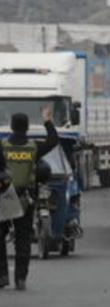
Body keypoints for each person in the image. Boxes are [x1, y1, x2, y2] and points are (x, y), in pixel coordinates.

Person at [0, 107, 58, 291]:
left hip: (4, 198)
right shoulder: (33, 147)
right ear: (26, 128)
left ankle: (2, 276)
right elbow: (53, 141)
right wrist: (47, 120)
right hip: (26, 198)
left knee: (0, 237)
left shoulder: (3, 147)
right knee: (23, 238)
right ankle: (21, 279)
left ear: (10, 126)